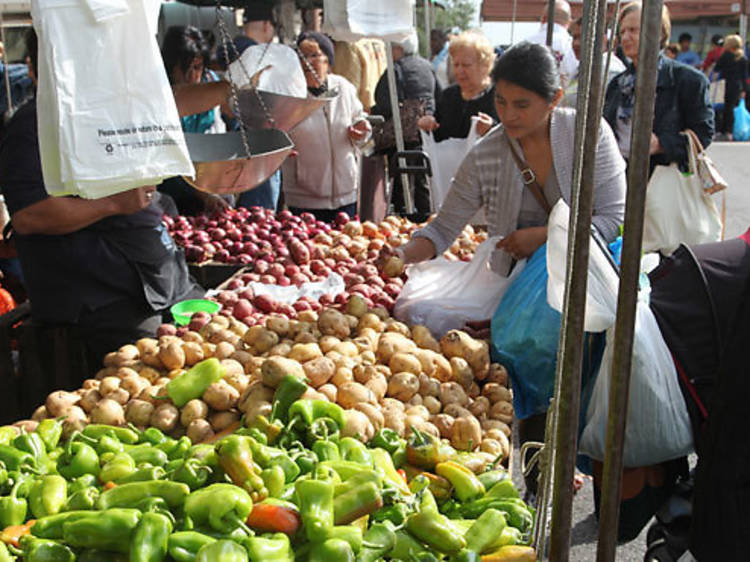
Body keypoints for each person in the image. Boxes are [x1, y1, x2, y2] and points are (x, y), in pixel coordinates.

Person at [0, 29, 202, 368]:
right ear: (45, 67)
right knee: (151, 383)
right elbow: (29, 216)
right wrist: (113, 203)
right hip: (101, 299)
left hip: (159, 281)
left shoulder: (102, 112)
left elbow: (174, 102)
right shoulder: (31, 126)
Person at [603, 2, 714, 174]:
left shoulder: (688, 80)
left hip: (663, 179)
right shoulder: (617, 83)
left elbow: (703, 133)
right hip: (619, 177)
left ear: (659, 32)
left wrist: (661, 144)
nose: (625, 37)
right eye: (622, 31)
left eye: (633, 30)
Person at [281, 31, 370, 222]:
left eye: (314, 55)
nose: (307, 62)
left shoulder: (343, 88)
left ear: (328, 61)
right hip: (304, 196)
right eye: (302, 57)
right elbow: (276, 132)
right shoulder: (289, 95)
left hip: (346, 193)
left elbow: (359, 119)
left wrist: (361, 130)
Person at [159, 26, 232, 216]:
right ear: (171, 64)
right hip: (170, 186)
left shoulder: (211, 84)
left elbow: (227, 123)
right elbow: (169, 156)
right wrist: (203, 194)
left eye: (198, 67)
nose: (192, 76)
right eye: (185, 68)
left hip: (204, 178)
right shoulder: (160, 93)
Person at [372, 33, 439, 218]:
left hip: (401, 132)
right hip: (424, 130)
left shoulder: (395, 69)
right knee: (422, 177)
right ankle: (425, 214)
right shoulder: (428, 66)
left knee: (400, 177)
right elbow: (437, 94)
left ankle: (403, 215)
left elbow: (384, 103)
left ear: (398, 49)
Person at [227, 3, 283, 212]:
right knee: (259, 213)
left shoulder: (232, 49)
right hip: (256, 141)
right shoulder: (254, 54)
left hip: (238, 143)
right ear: (268, 25)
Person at [417, 30, 498, 142]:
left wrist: (491, 129)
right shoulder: (448, 96)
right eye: (456, 65)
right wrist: (427, 126)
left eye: (466, 65)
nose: (459, 70)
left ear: (484, 65)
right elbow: (437, 135)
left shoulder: (499, 97)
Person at [562, 17, 626, 107]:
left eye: (582, 37)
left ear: (602, 40)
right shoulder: (580, 68)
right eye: (575, 37)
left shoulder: (609, 69)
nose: (576, 43)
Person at [524, 1, 579, 87]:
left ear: (543, 19)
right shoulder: (573, 46)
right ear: (569, 22)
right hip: (563, 97)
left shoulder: (525, 43)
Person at [714, 34, 748, 141]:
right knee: (732, 108)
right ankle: (730, 131)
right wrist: (744, 89)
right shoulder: (742, 58)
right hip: (737, 86)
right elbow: (745, 75)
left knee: (722, 108)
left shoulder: (725, 56)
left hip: (725, 85)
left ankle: (722, 130)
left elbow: (716, 69)